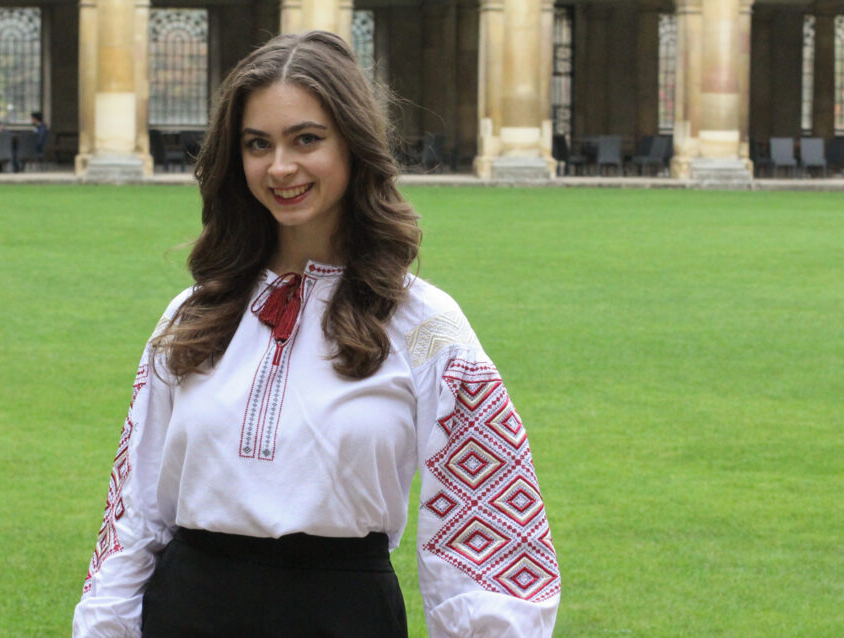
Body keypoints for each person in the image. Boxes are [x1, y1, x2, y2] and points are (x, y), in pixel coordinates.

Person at [73, 30, 560, 638]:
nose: (280, 167)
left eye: (306, 139)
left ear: (354, 146)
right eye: (258, 144)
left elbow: (484, 532)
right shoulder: (192, 315)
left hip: (342, 617)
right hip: (187, 613)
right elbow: (135, 512)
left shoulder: (426, 326)